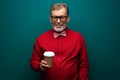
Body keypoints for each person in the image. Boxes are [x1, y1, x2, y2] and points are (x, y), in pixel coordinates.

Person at [30, 2, 89, 80]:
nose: (58, 21)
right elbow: (33, 62)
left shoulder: (78, 38)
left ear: (68, 18)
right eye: (55, 17)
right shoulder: (41, 39)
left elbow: (84, 65)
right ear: (50, 19)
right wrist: (40, 65)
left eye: (62, 17)